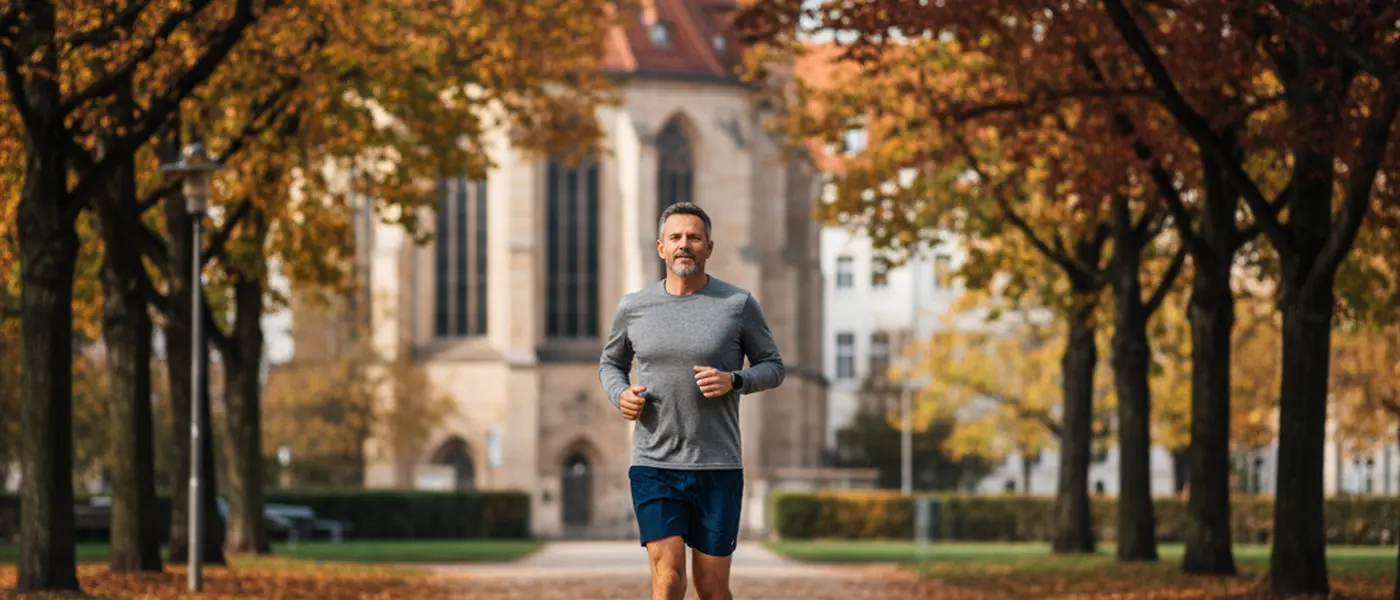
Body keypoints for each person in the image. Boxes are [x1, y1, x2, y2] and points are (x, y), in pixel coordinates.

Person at [598, 202, 785, 600]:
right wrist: (620, 395)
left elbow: (773, 366)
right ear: (661, 247)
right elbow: (611, 363)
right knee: (667, 580)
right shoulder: (634, 308)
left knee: (712, 588)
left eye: (694, 237)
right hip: (654, 464)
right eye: (676, 238)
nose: (685, 245)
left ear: (709, 247)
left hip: (718, 464)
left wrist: (734, 380)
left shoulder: (737, 305)